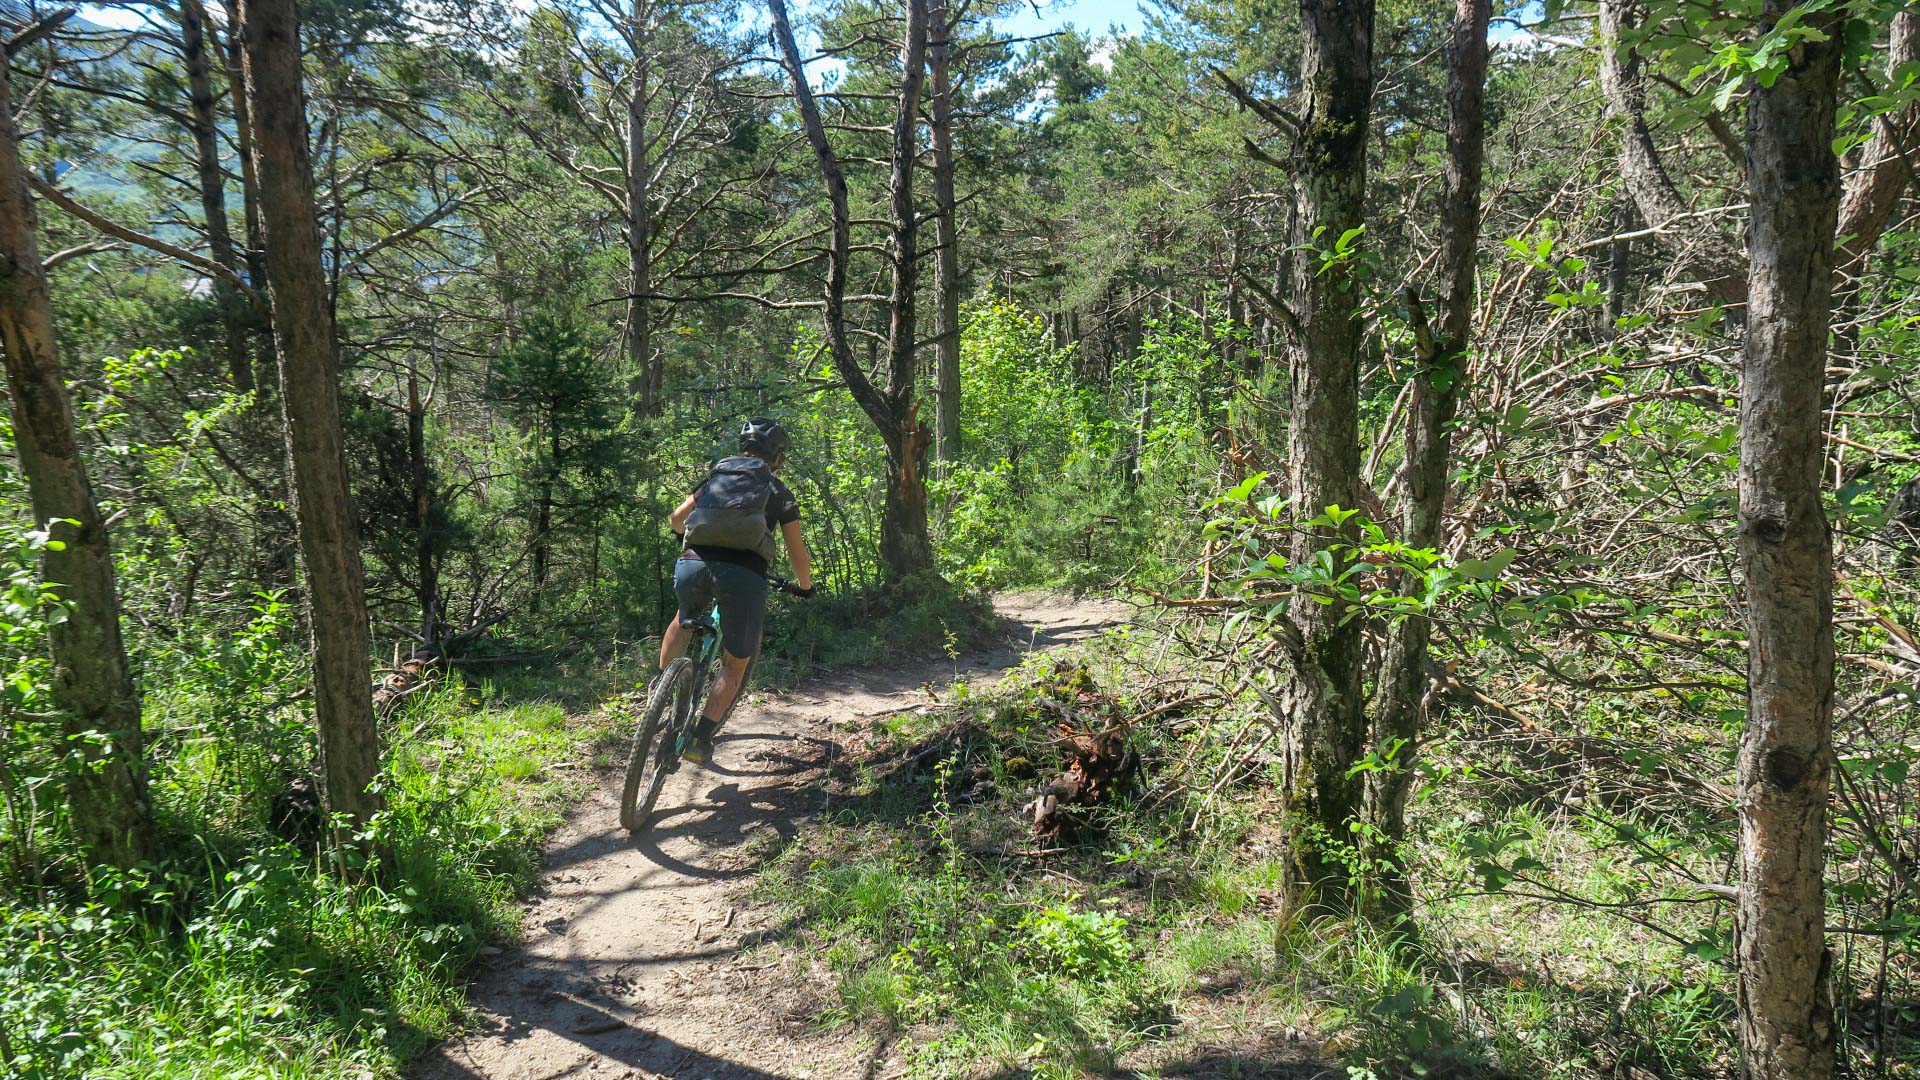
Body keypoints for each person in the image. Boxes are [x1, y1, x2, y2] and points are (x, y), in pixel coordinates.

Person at [659, 417, 814, 765]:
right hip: (743, 576)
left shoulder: (716, 479)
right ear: (777, 456)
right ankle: (698, 739)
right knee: (734, 664)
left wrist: (688, 541)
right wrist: (805, 586)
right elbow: (795, 551)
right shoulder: (777, 491)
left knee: (683, 618)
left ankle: (661, 691)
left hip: (693, 563)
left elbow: (675, 519)